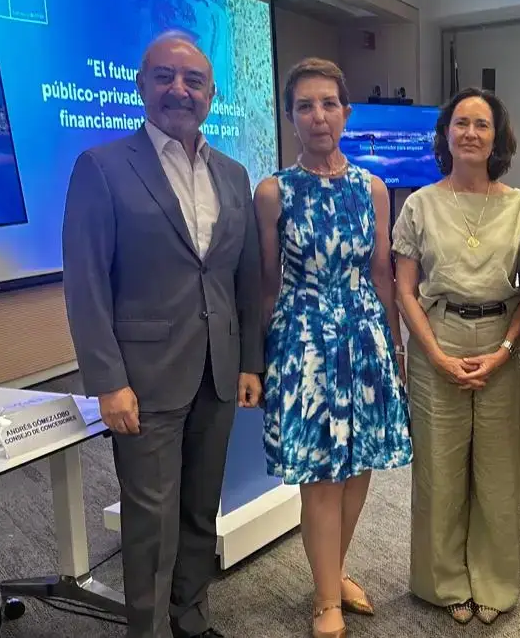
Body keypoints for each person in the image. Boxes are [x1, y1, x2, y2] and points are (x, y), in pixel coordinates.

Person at [62, 31, 263, 638]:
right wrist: (108, 381)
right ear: (143, 84)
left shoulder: (233, 173)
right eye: (165, 77)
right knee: (151, 519)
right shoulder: (102, 167)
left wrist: (249, 362)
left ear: (210, 94)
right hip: (144, 379)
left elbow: (243, 278)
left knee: (201, 509)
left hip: (218, 372)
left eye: (193, 80)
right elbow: (86, 282)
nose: (180, 89)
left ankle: (190, 617)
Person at [254, 57, 413, 638]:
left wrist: (393, 349)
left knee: (358, 466)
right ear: (291, 116)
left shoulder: (373, 189)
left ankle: (334, 571)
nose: (318, 116)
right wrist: (264, 360)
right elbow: (268, 284)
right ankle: (326, 602)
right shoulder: (273, 192)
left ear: (345, 113)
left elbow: (381, 276)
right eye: (304, 106)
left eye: (328, 104)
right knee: (319, 475)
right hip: (303, 344)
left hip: (364, 336)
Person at [392, 88, 520, 627]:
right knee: (439, 470)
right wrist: (432, 354)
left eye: (482, 124)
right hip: (438, 338)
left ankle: (495, 582)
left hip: (504, 338)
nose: (471, 133)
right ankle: (443, 581)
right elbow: (405, 290)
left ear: (497, 136)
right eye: (460, 123)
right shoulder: (420, 204)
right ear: (445, 134)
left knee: (500, 473)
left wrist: (502, 351)